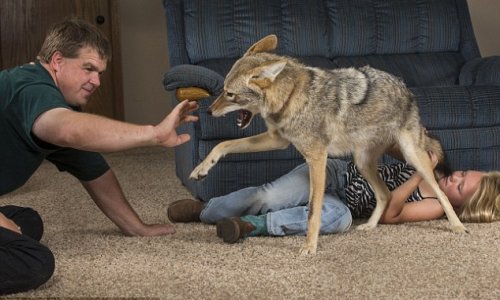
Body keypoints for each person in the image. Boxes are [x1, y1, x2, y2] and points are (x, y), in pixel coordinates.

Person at [0, 18, 198, 295]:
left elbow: (96, 173)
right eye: (89, 68)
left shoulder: (55, 102)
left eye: (100, 73)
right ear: (57, 60)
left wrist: (137, 228)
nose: (96, 81)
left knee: (28, 221)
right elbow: (69, 130)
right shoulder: (32, 88)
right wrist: (153, 133)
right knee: (34, 262)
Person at [167, 150, 500, 244]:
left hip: (347, 204)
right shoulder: (435, 159)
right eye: (462, 173)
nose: (453, 178)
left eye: (458, 186)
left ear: (460, 206)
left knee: (337, 221)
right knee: (270, 195)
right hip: (339, 171)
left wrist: (419, 176)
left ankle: (252, 226)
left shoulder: (432, 207)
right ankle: (206, 210)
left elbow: (390, 214)